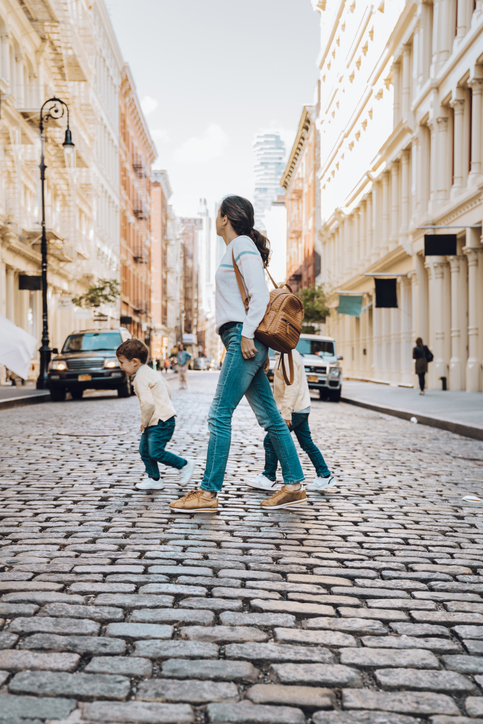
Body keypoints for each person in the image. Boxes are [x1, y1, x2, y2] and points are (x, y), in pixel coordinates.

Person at [169, 195, 306, 514]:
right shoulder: (239, 247)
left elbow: (258, 294)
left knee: (219, 413)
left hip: (241, 338)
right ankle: (294, 484)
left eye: (219, 214)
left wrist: (245, 336)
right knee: (271, 417)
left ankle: (208, 491)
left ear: (225, 217)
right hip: (244, 338)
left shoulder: (241, 245)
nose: (217, 219)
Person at [248, 349, 337, 493]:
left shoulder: (288, 355)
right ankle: (325, 475)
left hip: (294, 410)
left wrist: (286, 412)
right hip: (301, 408)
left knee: (270, 440)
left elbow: (292, 385)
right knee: (306, 443)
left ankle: (269, 477)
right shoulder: (285, 354)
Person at [116, 339, 195, 490]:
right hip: (163, 418)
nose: (121, 367)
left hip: (159, 421)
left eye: (121, 362)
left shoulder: (140, 378)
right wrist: (165, 406)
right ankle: (154, 479)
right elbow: (167, 389)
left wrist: (144, 422)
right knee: (144, 450)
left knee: (156, 452)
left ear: (134, 362)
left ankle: (184, 464)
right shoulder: (150, 372)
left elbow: (148, 404)